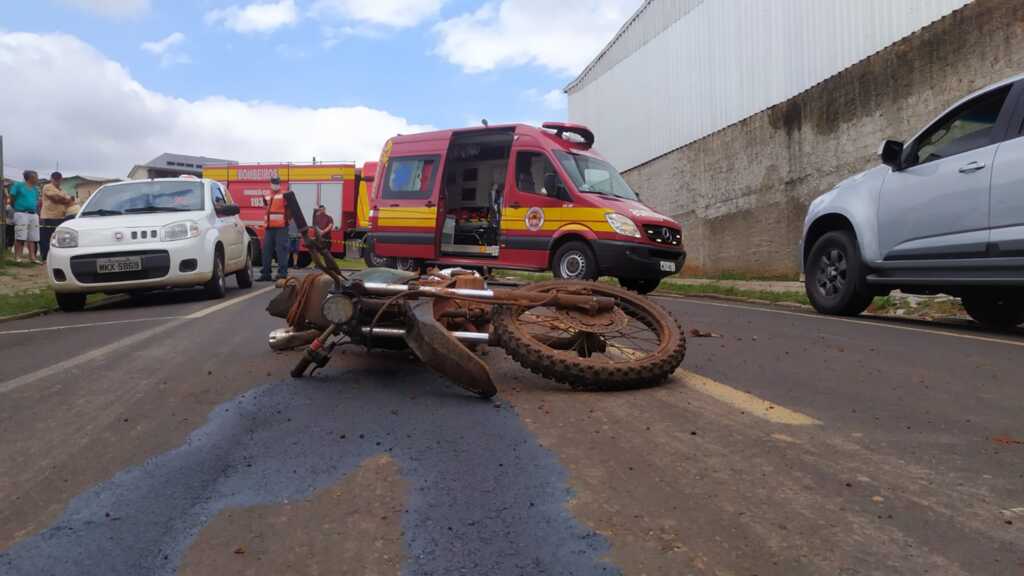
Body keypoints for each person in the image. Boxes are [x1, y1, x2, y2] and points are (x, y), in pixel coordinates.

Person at [258, 176, 290, 281]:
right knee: (266, 250)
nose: (275, 185)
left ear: (279, 184)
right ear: (270, 183)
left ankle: (282, 274)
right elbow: (266, 209)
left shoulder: (285, 194)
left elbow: (291, 209)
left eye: (277, 183)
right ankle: (266, 274)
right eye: (274, 183)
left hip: (281, 227)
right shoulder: (266, 195)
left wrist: (287, 221)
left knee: (282, 250)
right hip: (269, 227)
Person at [40, 172, 75, 260]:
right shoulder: (47, 187)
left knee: (57, 239)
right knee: (46, 238)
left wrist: (63, 199)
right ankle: (45, 258)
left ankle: (56, 258)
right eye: (55, 179)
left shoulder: (62, 190)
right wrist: (64, 199)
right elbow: (56, 199)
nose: (57, 181)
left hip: (60, 217)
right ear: (51, 179)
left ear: (61, 179)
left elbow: (70, 200)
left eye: (58, 179)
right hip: (48, 216)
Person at [9, 170, 41, 263]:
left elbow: (36, 200)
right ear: (30, 177)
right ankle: (18, 257)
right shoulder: (18, 185)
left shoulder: (35, 189)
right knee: (20, 235)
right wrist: (15, 207)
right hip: (21, 213)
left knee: (33, 237)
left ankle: (32, 258)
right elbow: (12, 197)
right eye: (36, 176)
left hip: (33, 214)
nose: (37, 178)